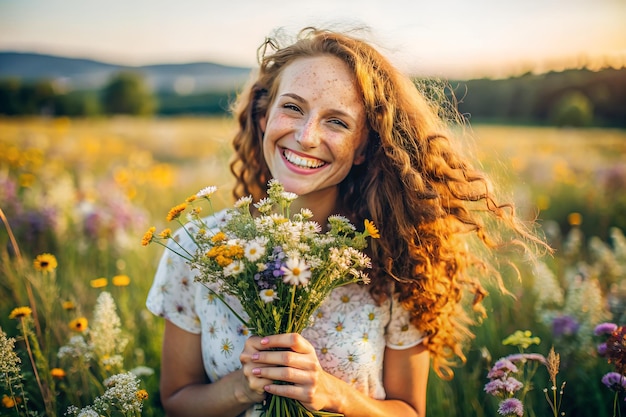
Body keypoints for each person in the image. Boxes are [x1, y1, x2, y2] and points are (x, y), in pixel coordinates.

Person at [146, 27, 545, 417]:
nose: (305, 136)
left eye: (337, 121)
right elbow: (177, 400)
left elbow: (409, 411)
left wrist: (333, 394)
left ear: (362, 148)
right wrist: (243, 386)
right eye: (293, 107)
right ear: (264, 116)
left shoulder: (395, 258)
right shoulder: (196, 248)